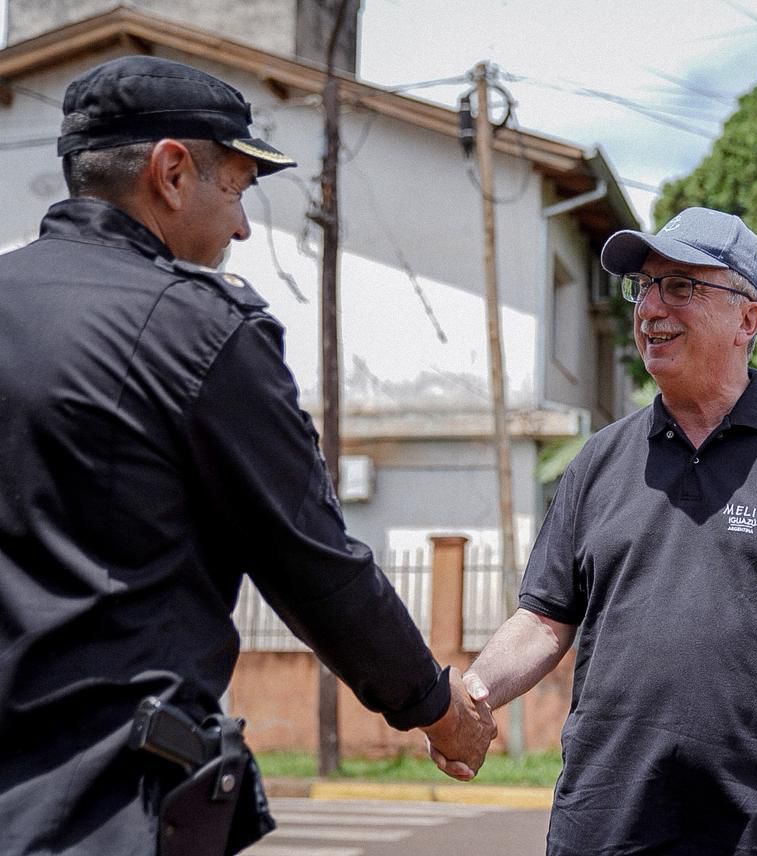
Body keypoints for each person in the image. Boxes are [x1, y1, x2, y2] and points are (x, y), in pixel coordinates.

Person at [0, 56, 494, 855]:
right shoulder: (196, 332)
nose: (239, 228)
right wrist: (438, 708)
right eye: (234, 190)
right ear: (171, 171)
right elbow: (314, 564)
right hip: (106, 812)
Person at [464, 207, 757, 855]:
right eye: (644, 287)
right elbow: (543, 622)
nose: (651, 308)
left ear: (748, 319)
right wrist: (476, 694)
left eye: (681, 286)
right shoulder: (598, 464)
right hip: (609, 824)